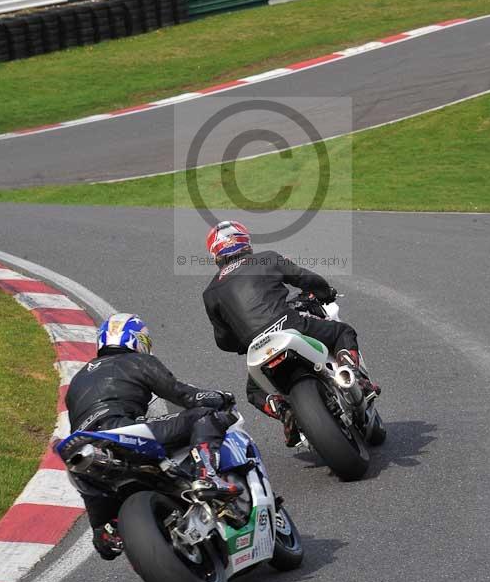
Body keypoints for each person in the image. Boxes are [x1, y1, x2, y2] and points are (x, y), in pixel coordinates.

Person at [65, 313, 240, 561]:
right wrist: (219, 397)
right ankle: (208, 475)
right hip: (122, 429)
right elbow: (184, 396)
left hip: (85, 445)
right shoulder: (137, 361)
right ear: (137, 340)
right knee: (202, 416)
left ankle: (103, 530)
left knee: (93, 491)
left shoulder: (78, 378)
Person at [203, 221, 379, 447]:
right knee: (342, 332)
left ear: (216, 253)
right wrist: (325, 292)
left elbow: (223, 339)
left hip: (257, 346)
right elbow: (304, 278)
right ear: (244, 242)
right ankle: (353, 376)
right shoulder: (265, 258)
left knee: (254, 392)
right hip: (289, 325)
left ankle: (286, 413)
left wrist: (242, 342)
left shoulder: (210, 292)